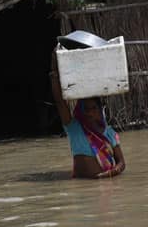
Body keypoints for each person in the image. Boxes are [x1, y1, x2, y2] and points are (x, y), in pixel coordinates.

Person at [50, 51, 126, 179]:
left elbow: (122, 163)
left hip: (107, 186)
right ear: (81, 111)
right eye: (86, 109)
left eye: (94, 108)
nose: (90, 112)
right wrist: (54, 74)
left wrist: (111, 173)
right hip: (82, 188)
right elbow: (60, 103)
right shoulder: (75, 128)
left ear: (100, 110)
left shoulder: (110, 134)